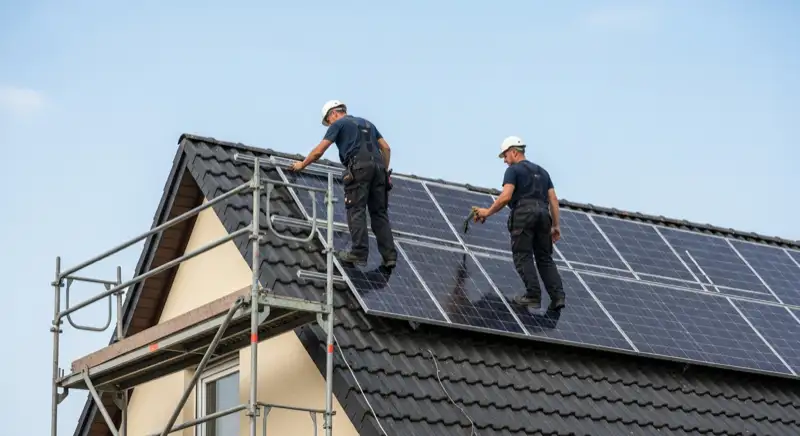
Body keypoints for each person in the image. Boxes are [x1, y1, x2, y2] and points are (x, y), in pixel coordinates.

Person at [288, 100, 397, 269]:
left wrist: (302, 164)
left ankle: (359, 252)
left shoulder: (339, 124)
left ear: (334, 114)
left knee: (356, 209)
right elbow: (386, 148)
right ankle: (389, 256)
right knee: (379, 214)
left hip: (359, 168)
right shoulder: (368, 123)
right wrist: (384, 171)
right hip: (379, 170)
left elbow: (319, 151)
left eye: (328, 121)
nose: (329, 124)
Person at [473, 136, 565, 311]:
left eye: (505, 156)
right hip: (544, 216)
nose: (505, 161)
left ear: (514, 152)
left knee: (522, 255)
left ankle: (533, 295)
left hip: (524, 215)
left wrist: (487, 212)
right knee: (545, 258)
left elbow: (506, 196)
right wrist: (556, 226)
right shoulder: (543, 172)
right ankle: (558, 296)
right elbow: (553, 199)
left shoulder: (513, 171)